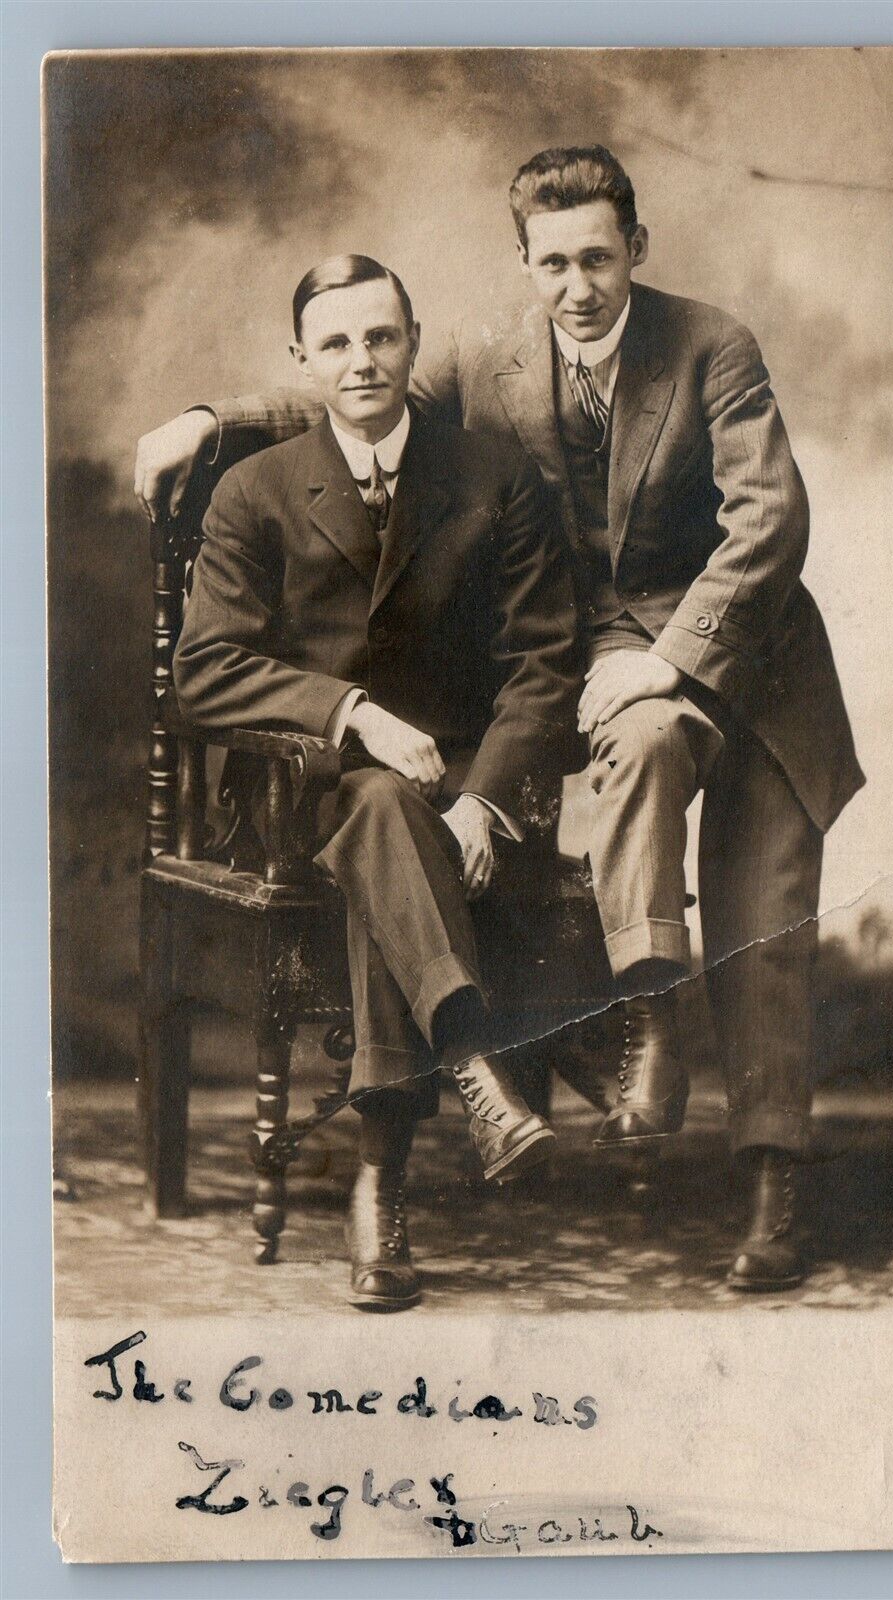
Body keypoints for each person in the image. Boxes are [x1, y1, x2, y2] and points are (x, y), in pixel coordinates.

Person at [138, 147, 865, 1291]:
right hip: (600, 659)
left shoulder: (710, 346)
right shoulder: (490, 357)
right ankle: (618, 1023)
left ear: (635, 247)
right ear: (522, 262)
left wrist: (664, 663)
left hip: (749, 652)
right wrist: (205, 419)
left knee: (762, 921)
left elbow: (767, 522)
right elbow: (352, 393)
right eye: (552, 263)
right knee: (558, 765)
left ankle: (770, 1188)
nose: (577, 287)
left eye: (597, 258)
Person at [172, 253, 582, 1311]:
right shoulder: (255, 489)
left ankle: (380, 1190)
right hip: (299, 789)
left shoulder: (492, 477)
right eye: (337, 342)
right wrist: (351, 711)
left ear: (412, 343)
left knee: (391, 822)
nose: (362, 360)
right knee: (375, 805)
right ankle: (470, 1064)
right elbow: (205, 669)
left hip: (460, 788)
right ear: (302, 358)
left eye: (381, 337)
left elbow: (545, 661)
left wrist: (485, 799)